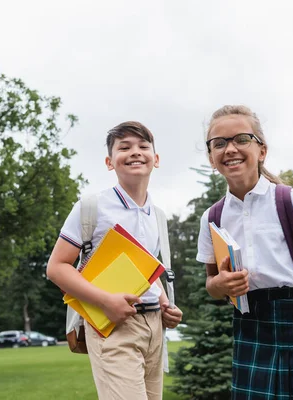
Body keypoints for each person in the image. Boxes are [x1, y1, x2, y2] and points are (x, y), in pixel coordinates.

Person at [196, 105, 293, 399]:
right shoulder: (212, 217)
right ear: (211, 157)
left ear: (261, 150)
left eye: (241, 139)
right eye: (219, 143)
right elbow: (211, 284)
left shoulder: (291, 200)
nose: (230, 149)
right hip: (250, 325)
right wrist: (221, 285)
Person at [47, 121, 183, 400]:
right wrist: (105, 301)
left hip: (154, 326)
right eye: (125, 147)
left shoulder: (157, 215)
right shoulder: (91, 207)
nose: (135, 152)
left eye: (143, 146)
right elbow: (56, 267)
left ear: (155, 159)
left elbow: (147, 271)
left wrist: (165, 304)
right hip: (112, 327)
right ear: (110, 162)